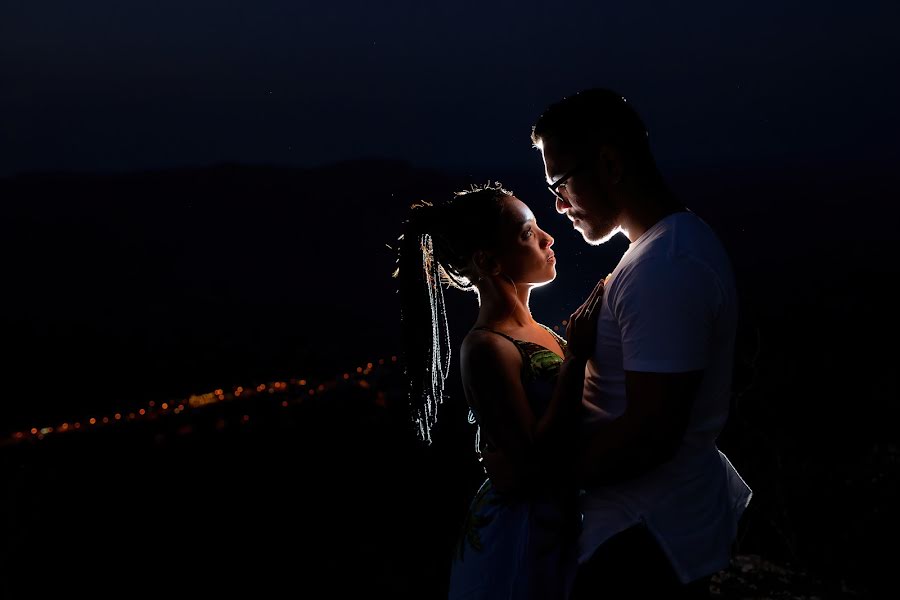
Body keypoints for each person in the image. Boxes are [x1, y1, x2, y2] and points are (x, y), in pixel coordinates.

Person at [521, 88, 753, 599]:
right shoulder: (660, 253)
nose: (558, 205)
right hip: (639, 529)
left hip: (644, 539)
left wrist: (542, 485)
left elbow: (651, 434)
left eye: (560, 182)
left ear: (610, 163)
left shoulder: (666, 268)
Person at [393, 183, 605, 599]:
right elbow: (529, 466)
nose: (548, 238)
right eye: (528, 233)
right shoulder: (487, 346)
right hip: (521, 538)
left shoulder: (540, 331)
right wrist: (578, 357)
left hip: (560, 523)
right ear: (488, 261)